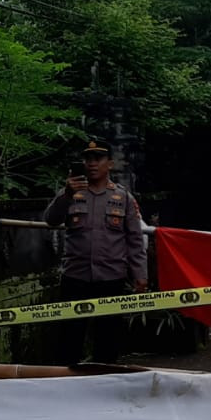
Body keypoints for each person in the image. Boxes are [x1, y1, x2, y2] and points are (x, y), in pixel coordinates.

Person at [44, 139, 147, 365]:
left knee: (108, 339)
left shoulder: (123, 198)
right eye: (87, 159)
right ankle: (67, 388)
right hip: (75, 277)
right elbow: (51, 220)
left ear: (109, 163)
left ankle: (104, 386)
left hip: (111, 277)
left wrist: (140, 274)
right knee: (69, 337)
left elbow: (135, 239)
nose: (92, 164)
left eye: (98, 159)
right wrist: (67, 195)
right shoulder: (69, 193)